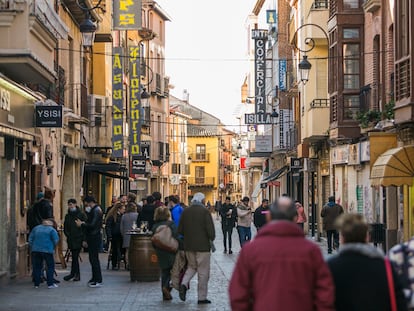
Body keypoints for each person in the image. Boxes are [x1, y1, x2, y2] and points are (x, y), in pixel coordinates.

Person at [229, 196, 335, 311]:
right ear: (295, 218)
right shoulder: (311, 251)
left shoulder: (250, 251)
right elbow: (325, 293)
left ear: (269, 217)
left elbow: (238, 294)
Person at [327, 213, 407, 311]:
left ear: (342, 238)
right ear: (367, 236)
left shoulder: (330, 268)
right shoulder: (385, 267)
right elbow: (400, 303)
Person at [177, 192, 215, 304]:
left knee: (192, 267)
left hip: (189, 246)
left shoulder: (186, 211)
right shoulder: (204, 212)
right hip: (203, 247)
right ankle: (201, 297)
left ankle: (184, 283)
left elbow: (180, 230)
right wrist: (211, 238)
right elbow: (210, 230)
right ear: (202, 200)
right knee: (203, 272)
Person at [75, 195, 103, 288]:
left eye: (86, 203)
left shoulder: (96, 210)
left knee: (94, 258)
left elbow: (92, 225)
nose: (86, 206)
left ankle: (98, 279)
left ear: (90, 202)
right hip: (92, 236)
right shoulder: (95, 210)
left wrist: (82, 224)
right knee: (92, 258)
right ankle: (94, 278)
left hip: (94, 237)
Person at [152, 207, 179, 301]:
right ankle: (167, 287)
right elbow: (176, 235)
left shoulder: (155, 226)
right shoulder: (171, 224)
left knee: (164, 271)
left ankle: (164, 290)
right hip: (171, 250)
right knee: (174, 270)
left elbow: (153, 239)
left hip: (160, 250)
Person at [29, 218, 59, 289]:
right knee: (50, 266)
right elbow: (56, 240)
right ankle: (50, 284)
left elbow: (30, 239)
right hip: (47, 250)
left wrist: (33, 247)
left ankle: (36, 284)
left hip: (36, 250)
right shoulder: (52, 230)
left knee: (37, 267)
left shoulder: (36, 228)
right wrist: (53, 247)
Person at [63, 198, 86, 281]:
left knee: (75, 257)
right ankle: (73, 273)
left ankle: (76, 274)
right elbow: (65, 227)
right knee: (74, 257)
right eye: (69, 205)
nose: (70, 206)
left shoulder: (81, 215)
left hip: (78, 238)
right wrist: (68, 235)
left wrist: (84, 239)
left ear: (75, 204)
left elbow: (84, 227)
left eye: (71, 204)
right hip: (71, 239)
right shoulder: (67, 216)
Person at [105, 202, 125, 270]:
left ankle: (120, 260)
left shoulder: (122, 216)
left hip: (120, 235)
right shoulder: (112, 216)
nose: (124, 210)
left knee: (122, 248)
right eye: (123, 209)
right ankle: (114, 263)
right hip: (114, 235)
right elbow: (108, 226)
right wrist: (109, 235)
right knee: (115, 249)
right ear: (118, 209)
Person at [120, 201, 138, 269]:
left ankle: (127, 263)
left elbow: (121, 227)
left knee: (127, 251)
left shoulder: (124, 216)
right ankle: (134, 263)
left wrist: (123, 234)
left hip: (126, 235)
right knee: (134, 250)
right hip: (135, 235)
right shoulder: (137, 215)